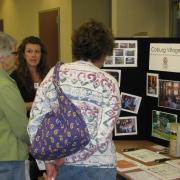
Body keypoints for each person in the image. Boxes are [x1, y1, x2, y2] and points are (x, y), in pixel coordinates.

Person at [28, 19, 121, 180]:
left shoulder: (54, 74)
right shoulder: (109, 83)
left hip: (63, 167)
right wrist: (71, 158)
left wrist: (48, 161)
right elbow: (102, 134)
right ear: (105, 51)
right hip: (100, 169)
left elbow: (34, 122)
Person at [11, 36, 49, 180]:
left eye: (37, 51)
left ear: (42, 54)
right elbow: (15, 107)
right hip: (27, 134)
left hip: (47, 133)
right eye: (29, 51)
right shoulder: (14, 78)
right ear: (23, 54)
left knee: (48, 172)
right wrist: (36, 105)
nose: (33, 55)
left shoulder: (48, 74)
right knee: (31, 173)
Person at [0, 32, 30, 180]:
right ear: (2, 57)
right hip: (10, 159)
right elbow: (21, 127)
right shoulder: (5, 85)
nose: (17, 56)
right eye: (15, 52)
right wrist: (37, 143)